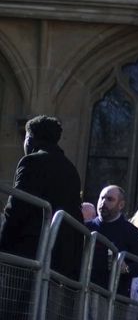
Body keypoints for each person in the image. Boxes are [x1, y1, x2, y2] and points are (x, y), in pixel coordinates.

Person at [2, 115, 85, 276]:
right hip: (60, 258)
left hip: (29, 253)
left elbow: (16, 207)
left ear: (30, 139)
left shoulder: (31, 162)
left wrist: (3, 242)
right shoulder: (71, 170)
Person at [89, 185, 138, 294]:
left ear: (121, 205)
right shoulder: (87, 227)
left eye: (110, 199)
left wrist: (127, 268)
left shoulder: (131, 233)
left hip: (112, 295)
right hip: (83, 288)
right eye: (102, 198)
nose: (103, 203)